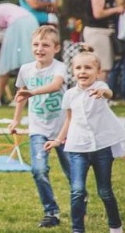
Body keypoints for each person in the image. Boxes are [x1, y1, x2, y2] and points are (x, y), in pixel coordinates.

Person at [45, 48, 125, 233]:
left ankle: (115, 227)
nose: (83, 71)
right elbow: (69, 120)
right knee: (77, 191)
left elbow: (109, 93)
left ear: (97, 72)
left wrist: (101, 92)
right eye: (78, 68)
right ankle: (77, 230)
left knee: (104, 192)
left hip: (101, 149)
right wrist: (58, 140)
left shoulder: (101, 87)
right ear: (73, 72)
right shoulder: (69, 95)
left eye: (88, 68)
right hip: (78, 149)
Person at [8, 25, 70, 229]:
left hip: (63, 130)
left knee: (73, 173)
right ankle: (51, 212)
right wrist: (16, 120)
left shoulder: (60, 67)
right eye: (36, 44)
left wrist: (33, 93)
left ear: (56, 48)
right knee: (39, 169)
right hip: (38, 130)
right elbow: (20, 96)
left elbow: (55, 85)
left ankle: (80, 197)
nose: (40, 48)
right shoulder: (26, 69)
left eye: (45, 45)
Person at [0, 2, 40, 107]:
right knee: (25, 62)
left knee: (5, 61)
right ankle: (20, 97)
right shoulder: (0, 10)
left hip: (18, 24)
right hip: (32, 23)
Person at [83, 0, 123, 82]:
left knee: (107, 64)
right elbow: (98, 13)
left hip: (105, 33)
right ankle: (98, 92)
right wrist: (116, 10)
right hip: (97, 33)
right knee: (102, 66)